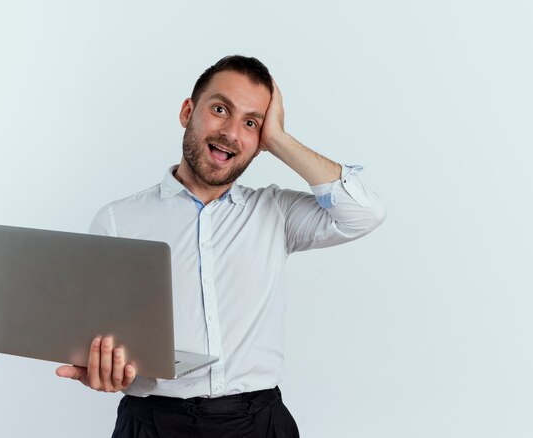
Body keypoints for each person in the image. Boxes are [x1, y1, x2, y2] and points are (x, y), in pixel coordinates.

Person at [56, 55, 386, 437]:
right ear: (187, 112)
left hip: (259, 424)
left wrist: (279, 138)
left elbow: (365, 212)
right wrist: (106, 372)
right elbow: (104, 338)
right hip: (151, 423)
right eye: (219, 109)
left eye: (250, 123)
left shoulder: (275, 212)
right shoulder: (116, 220)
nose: (231, 132)